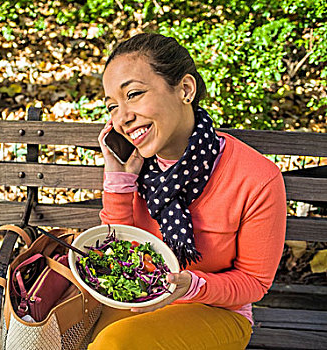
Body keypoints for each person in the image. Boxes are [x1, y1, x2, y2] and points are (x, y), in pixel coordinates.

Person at [90, 33, 287, 349]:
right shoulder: (134, 165)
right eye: (113, 106)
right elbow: (119, 257)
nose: (122, 118)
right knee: (68, 336)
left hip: (218, 310)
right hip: (141, 298)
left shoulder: (257, 177)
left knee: (113, 345)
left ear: (185, 89)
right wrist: (119, 182)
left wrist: (192, 286)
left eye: (134, 94)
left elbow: (254, 282)